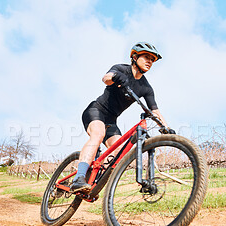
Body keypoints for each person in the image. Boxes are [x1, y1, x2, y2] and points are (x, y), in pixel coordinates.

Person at [71, 41, 175, 193]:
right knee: (98, 135)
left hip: (111, 120)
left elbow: (155, 110)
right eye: (146, 57)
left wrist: (166, 128)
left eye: (152, 60)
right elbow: (106, 78)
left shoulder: (146, 87)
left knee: (119, 151)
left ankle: (94, 179)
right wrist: (115, 77)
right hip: (96, 110)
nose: (150, 62)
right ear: (134, 56)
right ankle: (78, 178)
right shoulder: (121, 69)